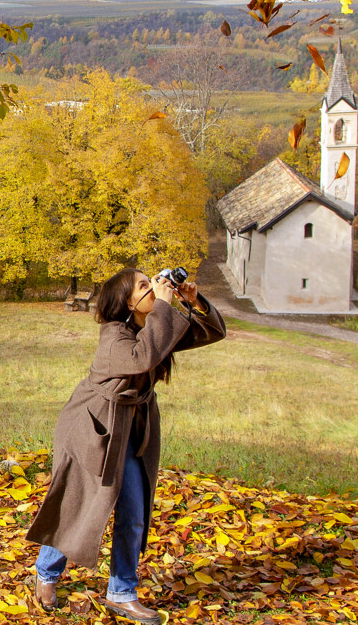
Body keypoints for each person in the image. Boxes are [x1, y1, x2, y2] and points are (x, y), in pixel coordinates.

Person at [25, 265, 227, 622]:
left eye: (153, 283)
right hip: (92, 429)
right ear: (127, 301)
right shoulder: (113, 336)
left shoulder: (152, 328)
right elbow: (143, 357)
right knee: (79, 507)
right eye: (144, 286)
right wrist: (164, 306)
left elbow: (213, 333)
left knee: (133, 513)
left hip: (132, 433)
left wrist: (193, 303)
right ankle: (46, 573)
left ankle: (121, 592)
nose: (154, 290)